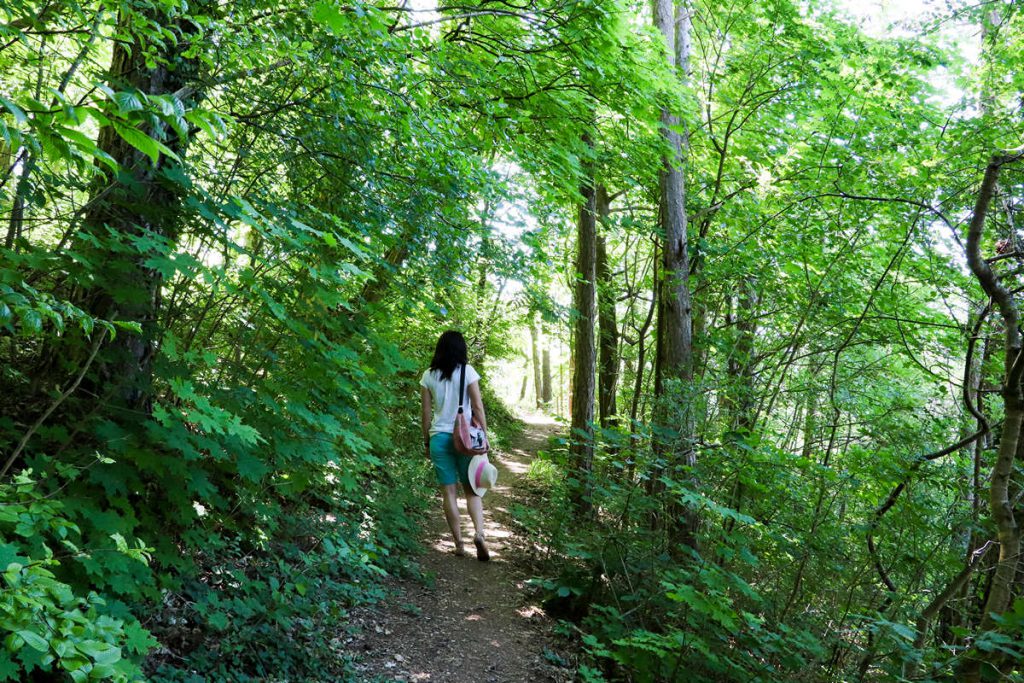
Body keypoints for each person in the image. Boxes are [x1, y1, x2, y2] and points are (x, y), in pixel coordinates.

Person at [420, 330, 490, 561]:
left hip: (439, 437)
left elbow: (426, 412)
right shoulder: (468, 372)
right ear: (461, 349)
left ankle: (459, 544)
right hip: (466, 439)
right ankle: (479, 534)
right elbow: (478, 407)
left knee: (448, 492)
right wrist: (484, 436)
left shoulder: (428, 376)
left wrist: (427, 439)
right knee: (472, 490)